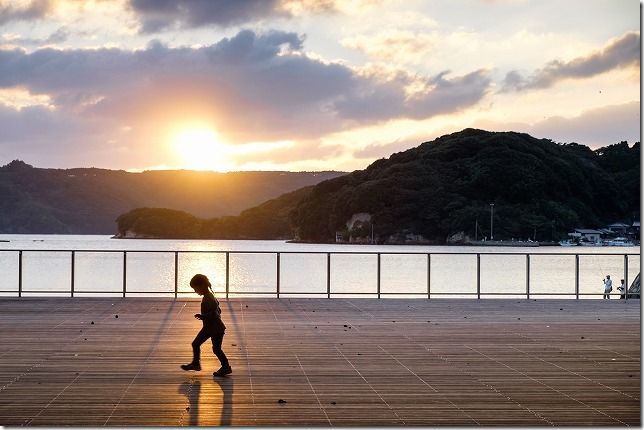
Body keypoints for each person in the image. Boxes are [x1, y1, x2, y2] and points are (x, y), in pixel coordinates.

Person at [181, 274, 232, 377]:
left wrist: (203, 316)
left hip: (216, 329)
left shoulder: (209, 298)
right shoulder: (209, 296)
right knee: (197, 344)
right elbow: (218, 310)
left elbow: (215, 313)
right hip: (210, 328)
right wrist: (205, 317)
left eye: (196, 288)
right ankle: (196, 364)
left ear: (202, 286)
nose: (195, 291)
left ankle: (226, 367)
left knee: (216, 349)